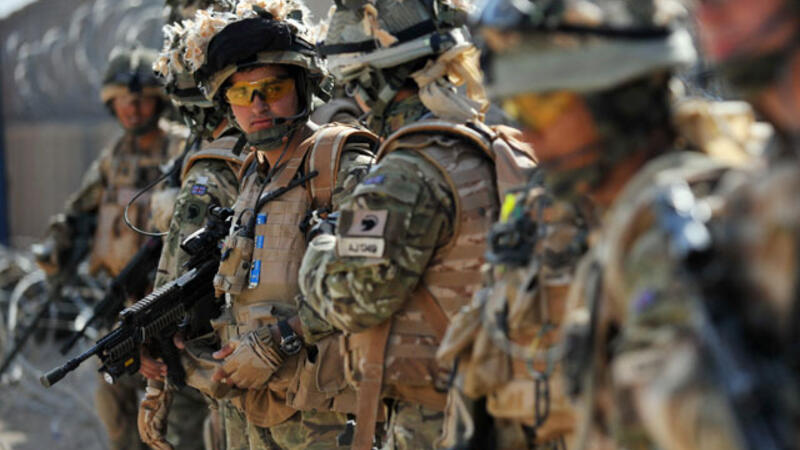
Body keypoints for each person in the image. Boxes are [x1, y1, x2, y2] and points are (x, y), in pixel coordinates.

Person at [298, 1, 536, 448]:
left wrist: (321, 246)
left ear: (375, 81)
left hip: (435, 419)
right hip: (500, 407)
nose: (355, 101)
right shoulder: (491, 144)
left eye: (353, 83)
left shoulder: (405, 172)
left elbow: (352, 300)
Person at [172, 2, 378, 448]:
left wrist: (283, 337)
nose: (258, 105)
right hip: (253, 407)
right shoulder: (252, 172)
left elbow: (373, 278)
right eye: (241, 94)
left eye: (273, 87)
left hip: (323, 415)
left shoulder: (341, 161)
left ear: (303, 86)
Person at [137, 7, 245, 449]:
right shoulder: (284, 156)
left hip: (235, 366)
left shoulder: (209, 174)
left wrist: (155, 395)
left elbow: (171, 280)